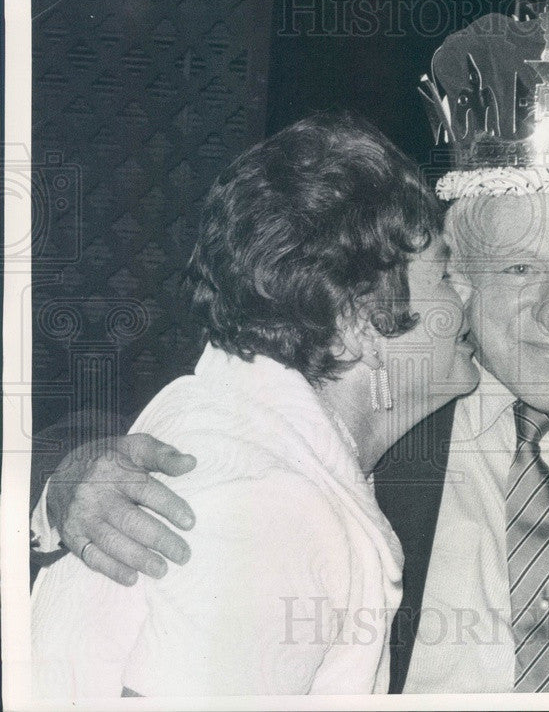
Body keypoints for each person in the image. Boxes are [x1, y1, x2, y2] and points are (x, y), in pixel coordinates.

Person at [31, 6, 549, 693]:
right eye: (518, 269)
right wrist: (70, 482)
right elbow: (156, 432)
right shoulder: (364, 393)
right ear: (458, 274)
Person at [30, 112, 479, 697]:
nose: (468, 292)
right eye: (445, 273)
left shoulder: (229, 424)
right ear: (354, 325)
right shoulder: (274, 504)